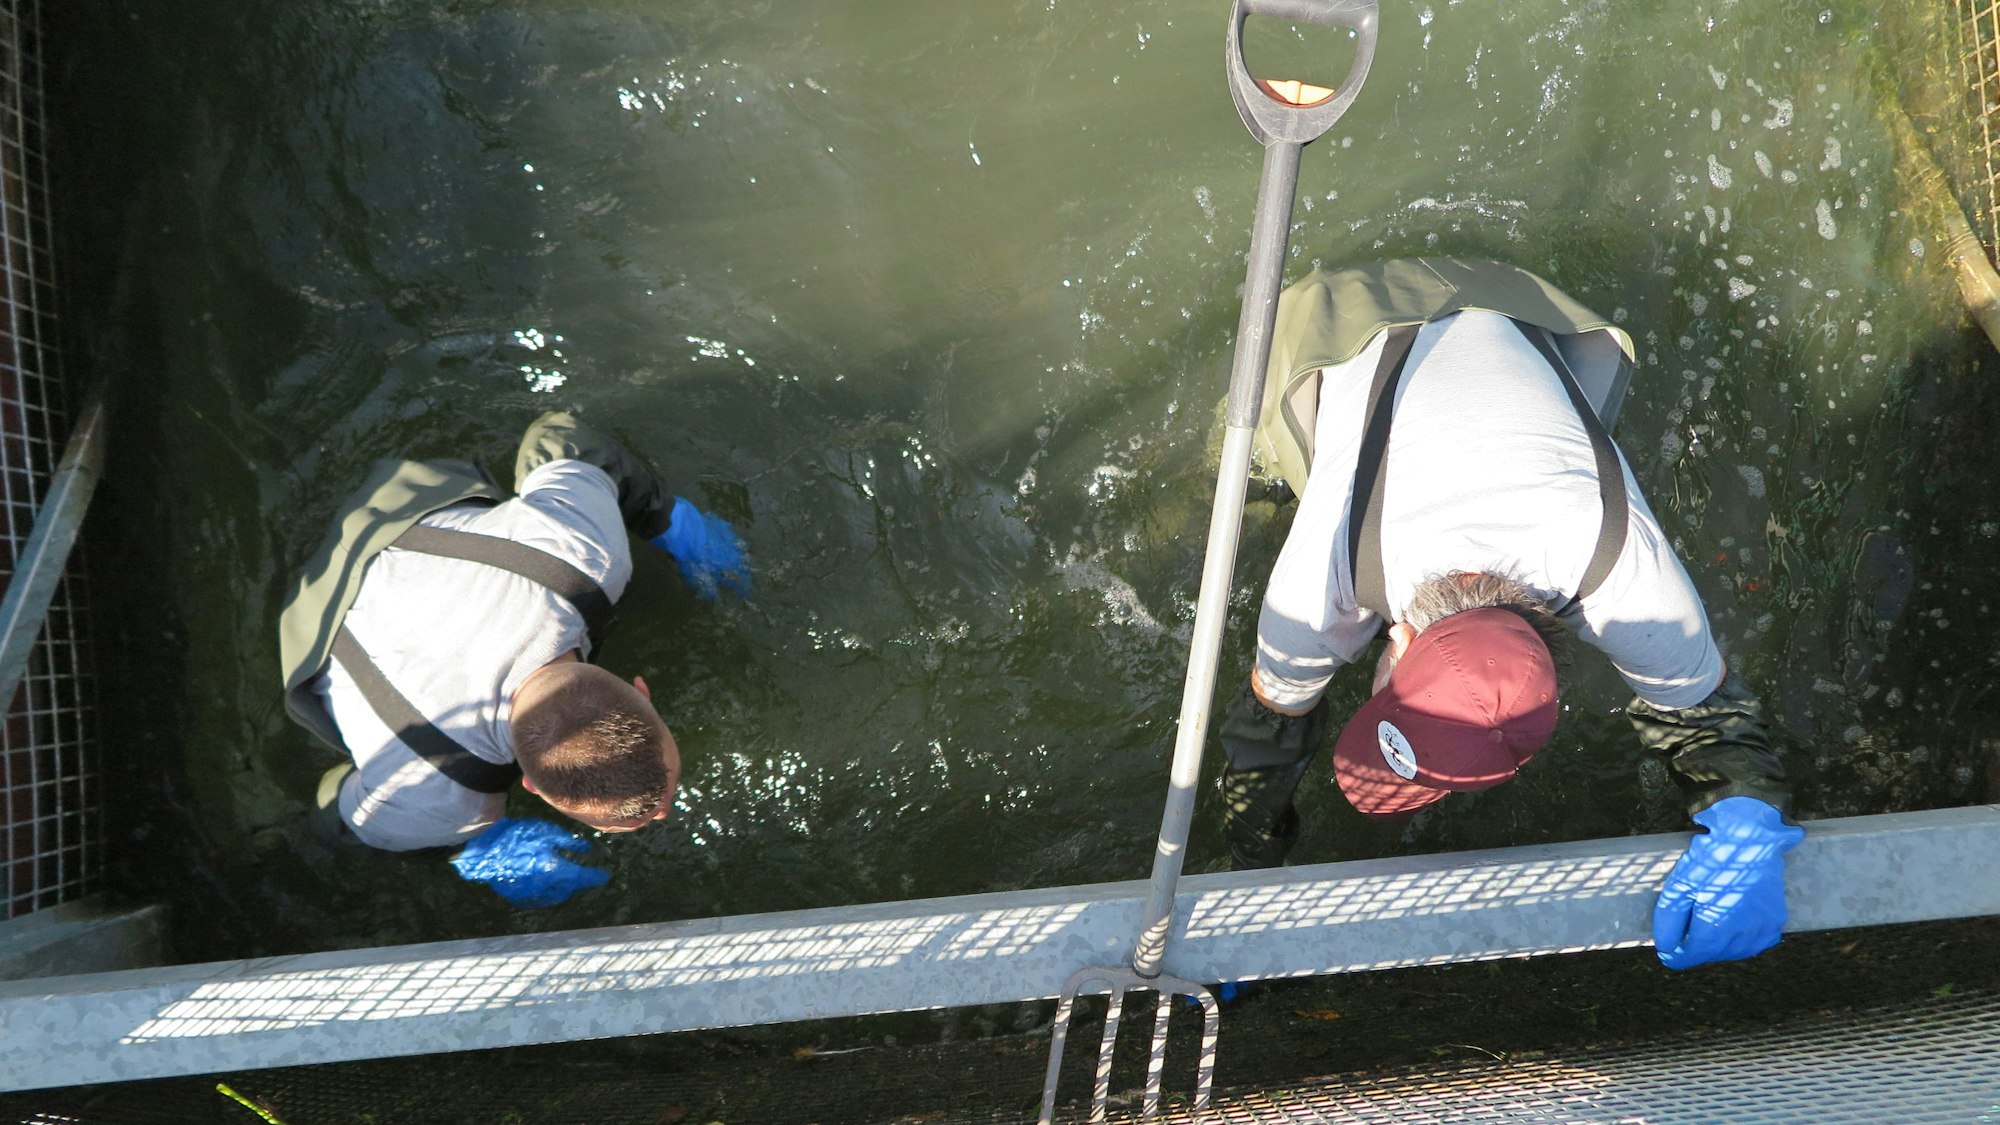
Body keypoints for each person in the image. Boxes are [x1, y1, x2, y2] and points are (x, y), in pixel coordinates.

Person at [1220, 257, 1801, 970]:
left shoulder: (1628, 582)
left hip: (1518, 299)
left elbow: (1711, 717)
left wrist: (1747, 819)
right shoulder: (1319, 585)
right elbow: (1267, 729)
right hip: (1350, 319)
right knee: (1252, 462)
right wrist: (1249, 869)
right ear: (1397, 640)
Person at [278, 412, 748, 903]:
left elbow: (563, 436)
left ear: (639, 689)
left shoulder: (582, 555)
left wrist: (664, 518)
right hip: (311, 637)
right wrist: (471, 845)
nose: (663, 813)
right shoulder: (438, 796)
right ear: (532, 787)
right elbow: (337, 811)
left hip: (384, 520)